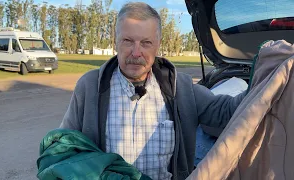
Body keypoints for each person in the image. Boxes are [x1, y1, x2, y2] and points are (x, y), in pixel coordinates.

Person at [59, 2, 245, 180]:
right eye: (128, 41)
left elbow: (225, 112)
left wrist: (266, 79)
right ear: (115, 41)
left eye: (146, 43)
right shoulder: (89, 86)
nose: (136, 52)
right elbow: (64, 147)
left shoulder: (181, 88)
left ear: (157, 44)